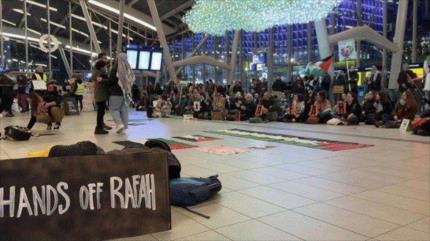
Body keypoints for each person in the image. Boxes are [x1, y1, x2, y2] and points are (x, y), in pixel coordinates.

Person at [93, 60, 110, 135]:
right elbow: (105, 81)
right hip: (100, 95)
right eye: (105, 66)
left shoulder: (97, 73)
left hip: (99, 95)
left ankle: (100, 127)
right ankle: (98, 128)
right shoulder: (100, 74)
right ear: (101, 67)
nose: (106, 68)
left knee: (101, 112)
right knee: (100, 112)